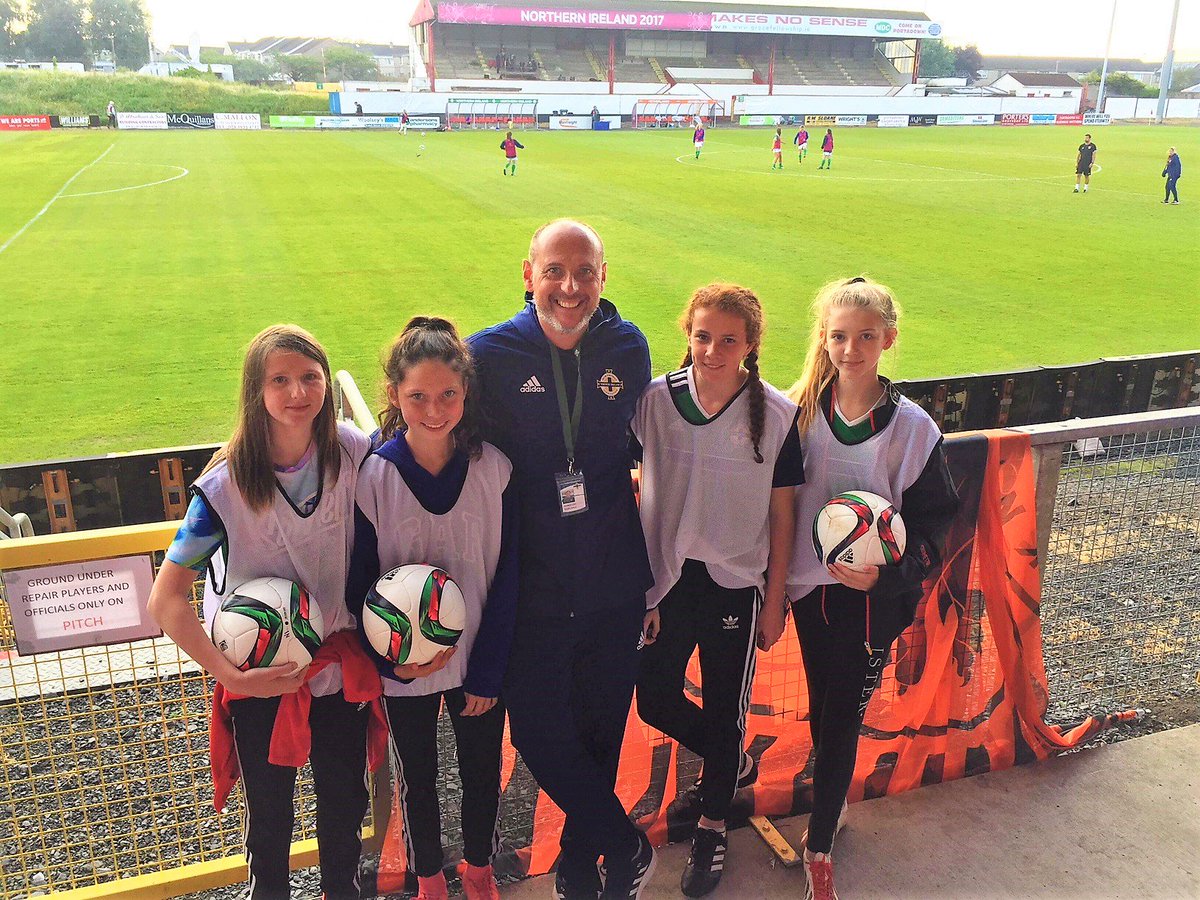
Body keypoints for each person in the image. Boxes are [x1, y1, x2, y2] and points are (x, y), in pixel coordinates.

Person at [147, 325, 384, 900]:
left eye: (309, 377)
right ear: (255, 392)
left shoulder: (353, 451)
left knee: (344, 815)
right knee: (271, 824)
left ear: (327, 382)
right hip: (261, 679)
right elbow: (166, 598)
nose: (298, 392)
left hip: (337, 667)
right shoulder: (225, 488)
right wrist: (227, 673)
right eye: (279, 380)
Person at [467, 220, 655, 900]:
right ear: (529, 274)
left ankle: (583, 871)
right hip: (531, 586)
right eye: (554, 270)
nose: (569, 287)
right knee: (543, 738)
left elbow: (644, 450)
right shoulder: (487, 354)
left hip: (612, 580)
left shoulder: (627, 347)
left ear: (604, 276)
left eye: (584, 271)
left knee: (603, 735)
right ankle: (624, 844)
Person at [784, 278, 959, 900]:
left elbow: (936, 527)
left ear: (889, 339)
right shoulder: (798, 410)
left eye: (864, 337)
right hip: (809, 592)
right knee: (821, 707)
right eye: (838, 336)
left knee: (841, 720)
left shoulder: (913, 429)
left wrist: (888, 574)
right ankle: (832, 808)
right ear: (823, 339)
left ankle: (821, 842)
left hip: (871, 605)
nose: (850, 349)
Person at [632, 284, 802, 897]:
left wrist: (776, 596)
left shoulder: (777, 414)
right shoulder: (653, 400)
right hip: (667, 580)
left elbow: (784, 515)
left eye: (728, 339)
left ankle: (712, 825)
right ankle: (730, 759)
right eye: (702, 336)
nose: (712, 349)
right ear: (688, 334)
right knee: (652, 697)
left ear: (750, 345)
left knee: (729, 702)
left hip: (736, 585)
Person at [347, 318, 517, 900]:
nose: (435, 408)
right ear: (394, 395)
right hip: (405, 668)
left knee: (480, 774)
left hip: (477, 665)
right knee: (417, 779)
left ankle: (478, 871)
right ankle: (428, 882)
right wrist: (391, 664)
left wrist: (490, 669)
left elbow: (509, 576)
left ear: (466, 392)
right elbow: (358, 583)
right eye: (417, 395)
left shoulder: (495, 469)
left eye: (448, 394)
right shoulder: (373, 476)